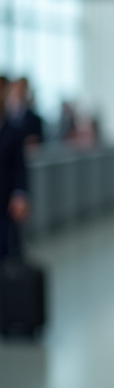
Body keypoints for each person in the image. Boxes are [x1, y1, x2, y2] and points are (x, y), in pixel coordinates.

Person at [0, 78, 29, 261]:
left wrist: (20, 194)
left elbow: (19, 166)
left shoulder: (12, 130)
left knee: (6, 250)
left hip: (4, 201)